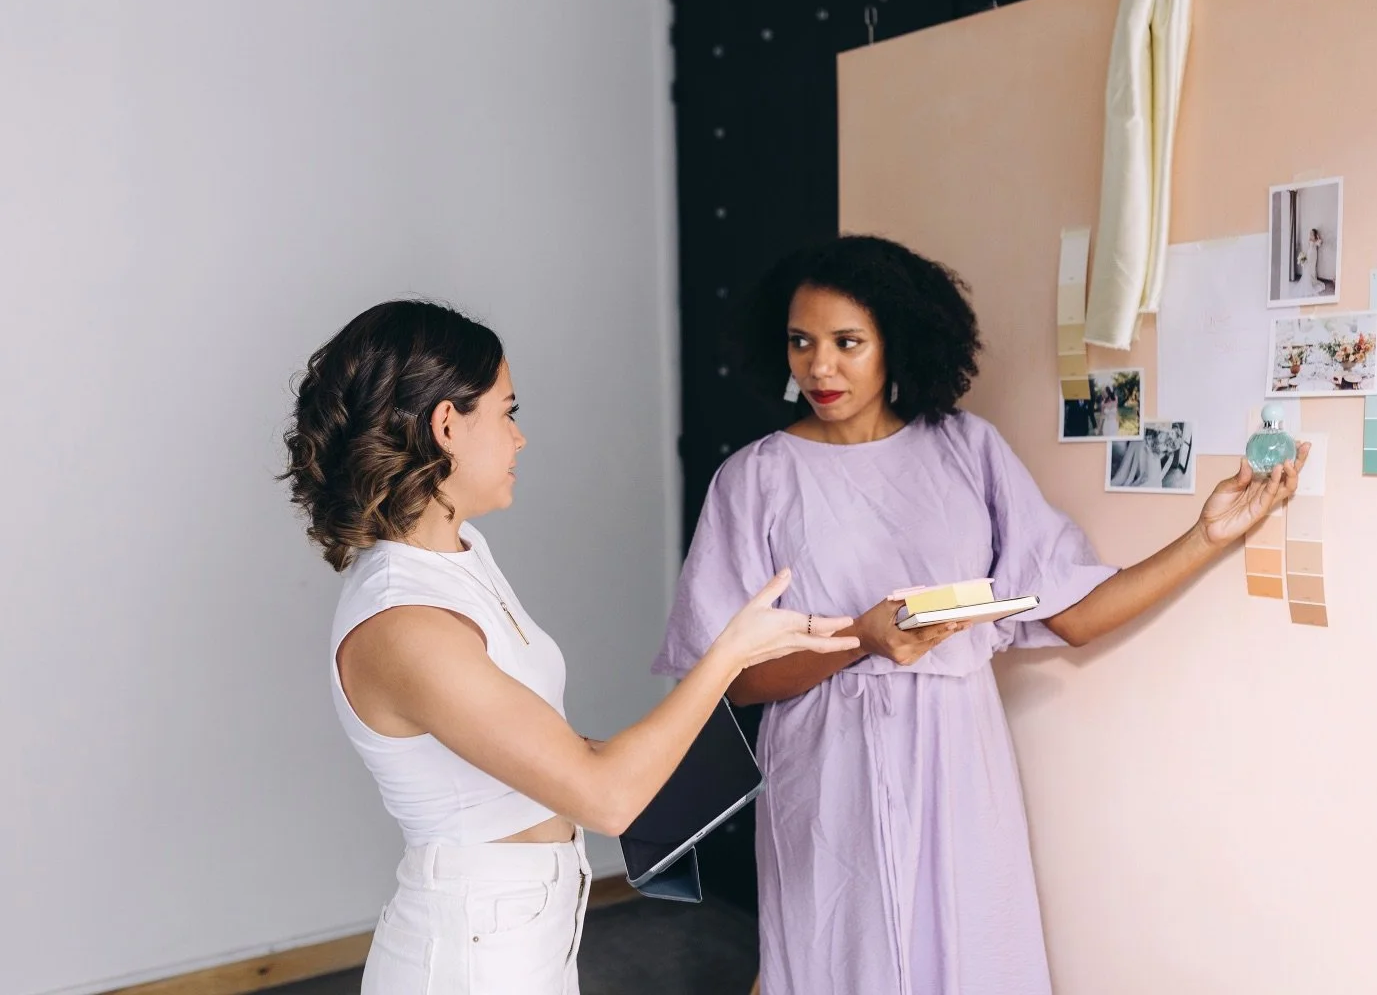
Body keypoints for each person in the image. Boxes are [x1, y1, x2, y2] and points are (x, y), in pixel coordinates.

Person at [652, 236, 1309, 995]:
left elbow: (1073, 612)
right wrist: (861, 639)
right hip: (830, 769)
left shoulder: (967, 451)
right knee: (838, 961)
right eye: (801, 342)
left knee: (966, 960)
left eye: (846, 343)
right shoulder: (756, 478)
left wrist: (1206, 535)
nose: (819, 367)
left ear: (897, 341)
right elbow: (732, 680)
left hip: (958, 760)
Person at [279, 300, 858, 995]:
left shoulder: (461, 559)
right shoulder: (405, 622)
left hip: (526, 935)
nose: (518, 439)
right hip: (468, 960)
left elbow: (542, 747)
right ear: (446, 426)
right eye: (506, 412)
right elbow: (605, 800)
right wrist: (730, 654)